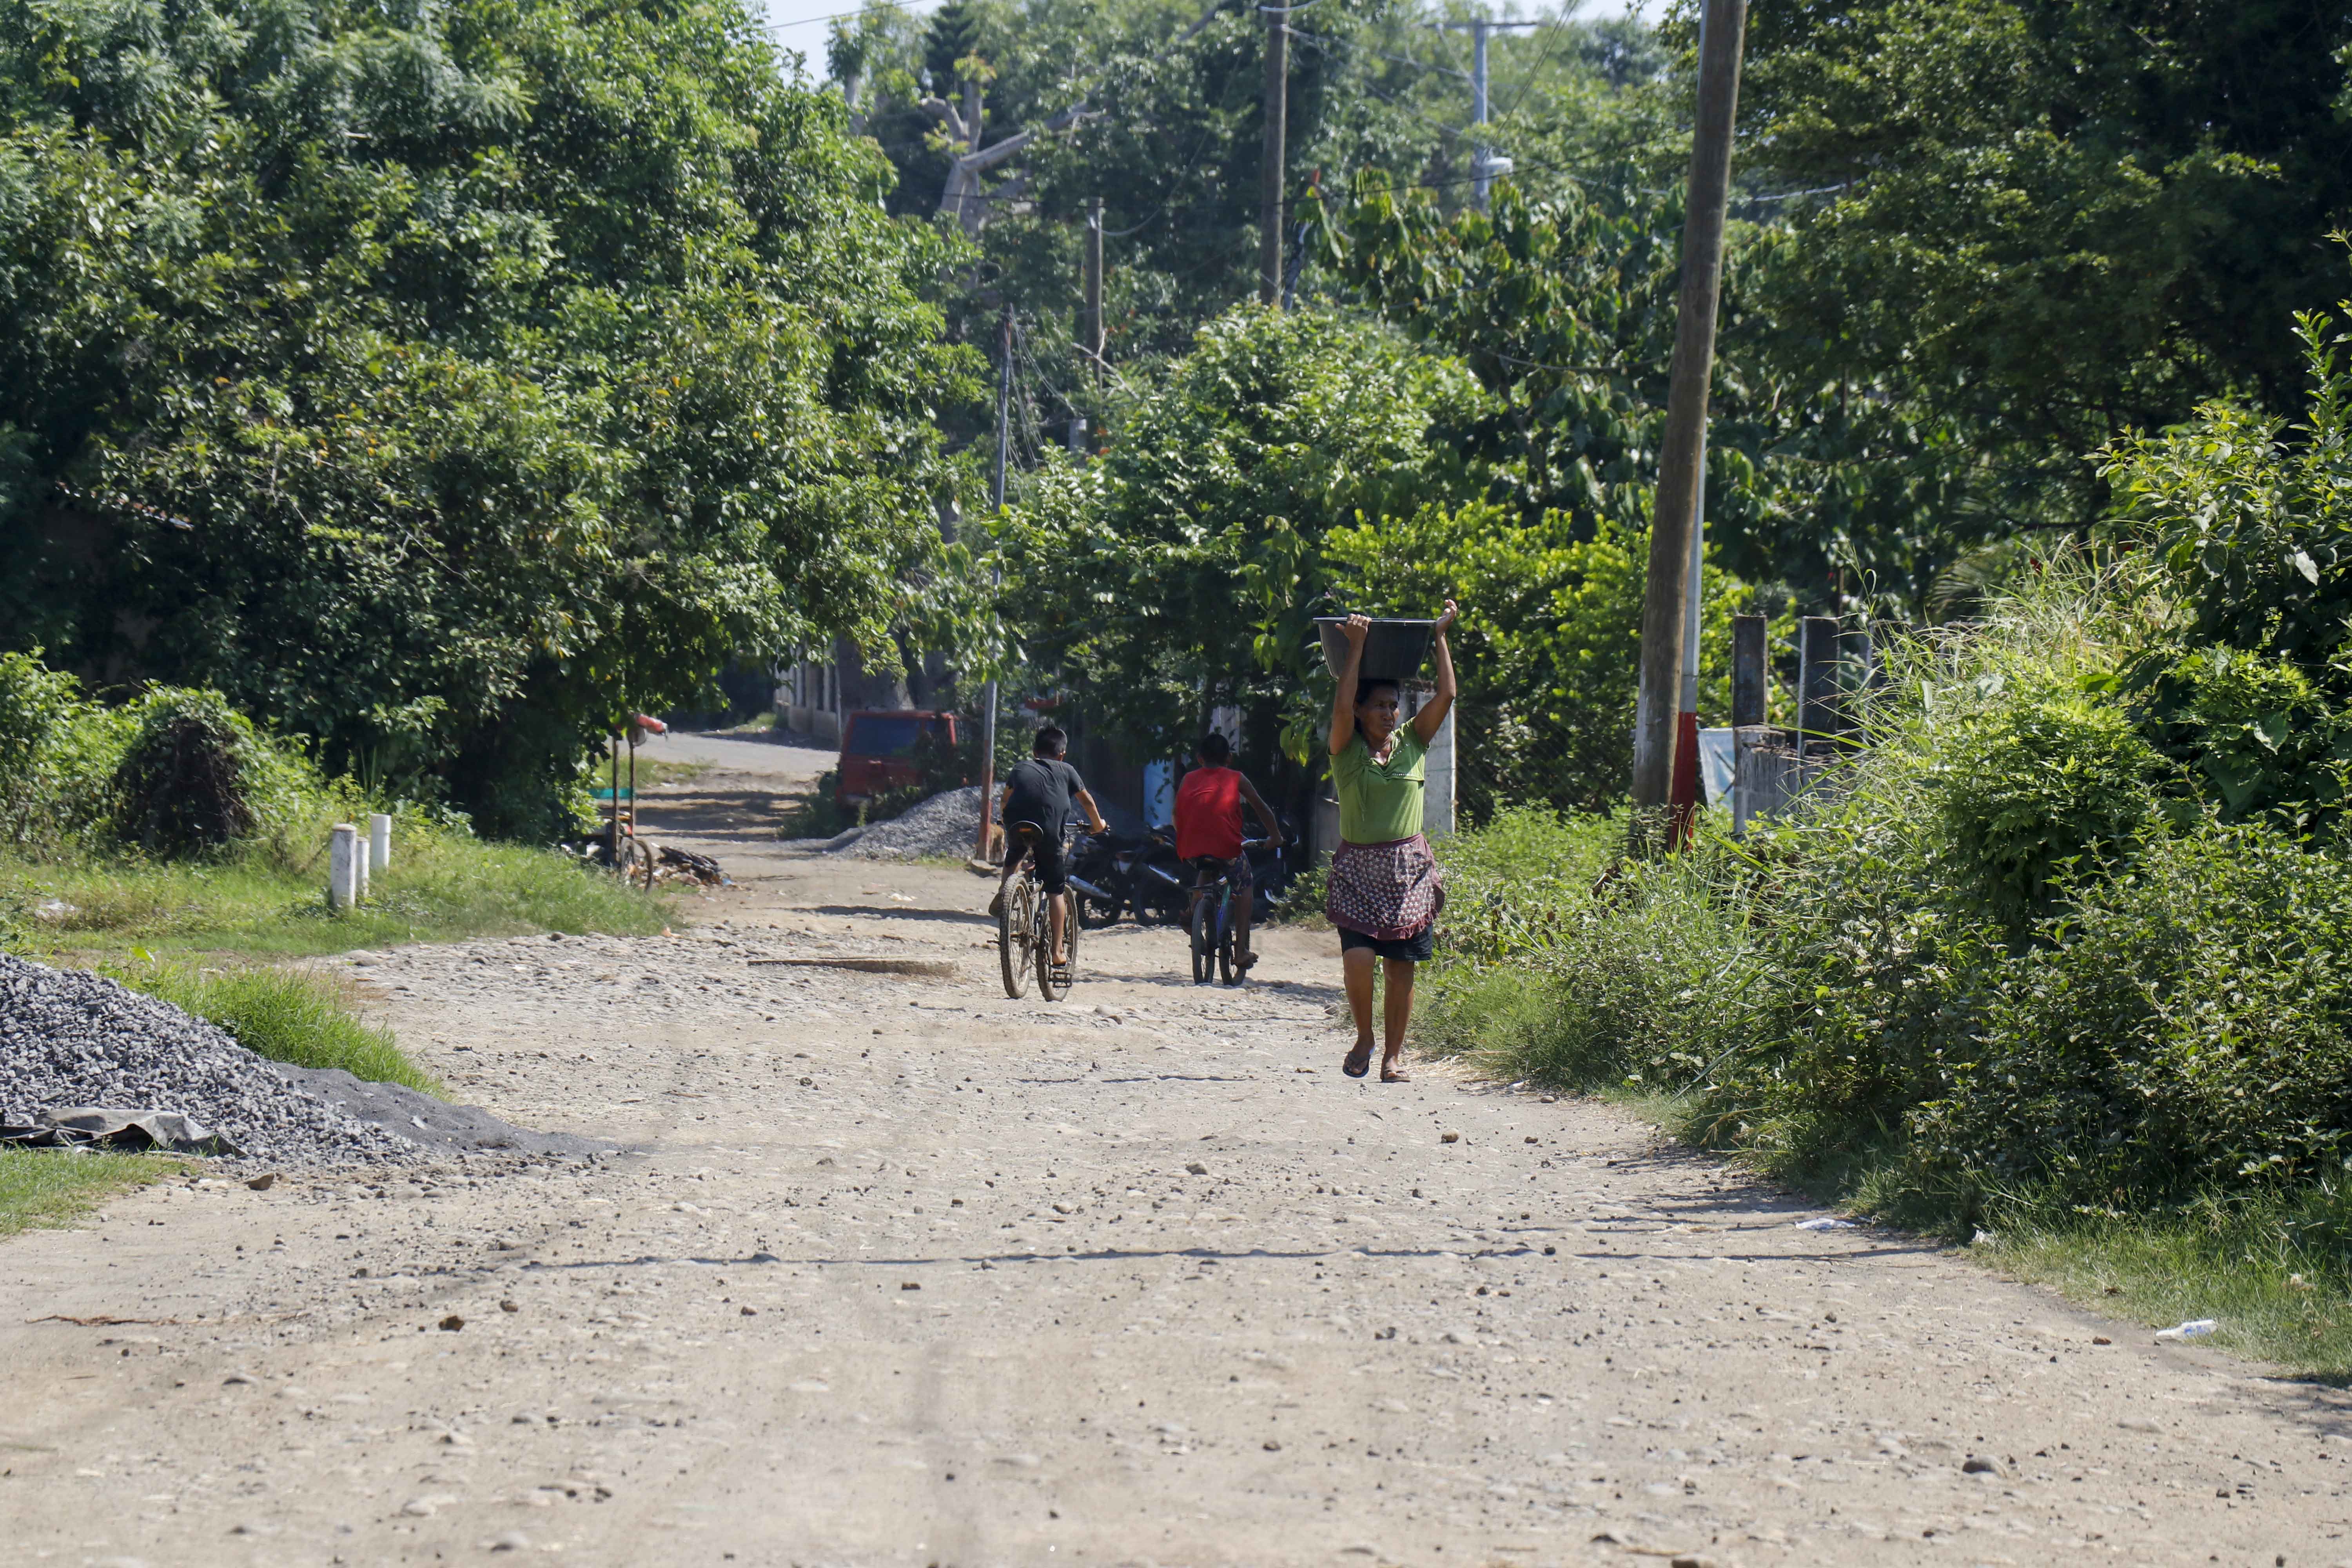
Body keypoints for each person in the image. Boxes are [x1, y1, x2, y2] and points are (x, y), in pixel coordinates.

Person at [1326, 601, 1458, 1081]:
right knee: (1359, 958)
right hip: (1359, 873)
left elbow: (1447, 695)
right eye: (1378, 705)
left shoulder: (1412, 743)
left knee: (1402, 969)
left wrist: (1441, 636)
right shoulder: (1345, 750)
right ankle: (1364, 1036)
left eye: (1392, 705)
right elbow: (1340, 706)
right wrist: (1355, 649)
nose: (1388, 712)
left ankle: (1393, 1059)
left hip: (1409, 874)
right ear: (1360, 711)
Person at [992, 726, 1108, 972]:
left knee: (1013, 858)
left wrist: (1005, 819)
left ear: (1034, 752)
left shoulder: (1020, 768)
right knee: (1056, 890)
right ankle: (1057, 951)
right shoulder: (1067, 770)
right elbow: (1086, 801)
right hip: (1049, 832)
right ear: (1062, 754)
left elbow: (1005, 799)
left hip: (1019, 825)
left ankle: (1006, 892)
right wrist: (1098, 825)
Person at [1172, 732, 1285, 975]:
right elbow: (1262, 808)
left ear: (1199, 758)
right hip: (1227, 847)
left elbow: (1176, 813)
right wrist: (1275, 836)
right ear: (1229, 758)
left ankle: (1193, 912)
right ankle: (1242, 949)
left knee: (1206, 868)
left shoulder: (1188, 779)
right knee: (1245, 884)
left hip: (1191, 847)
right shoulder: (1236, 778)